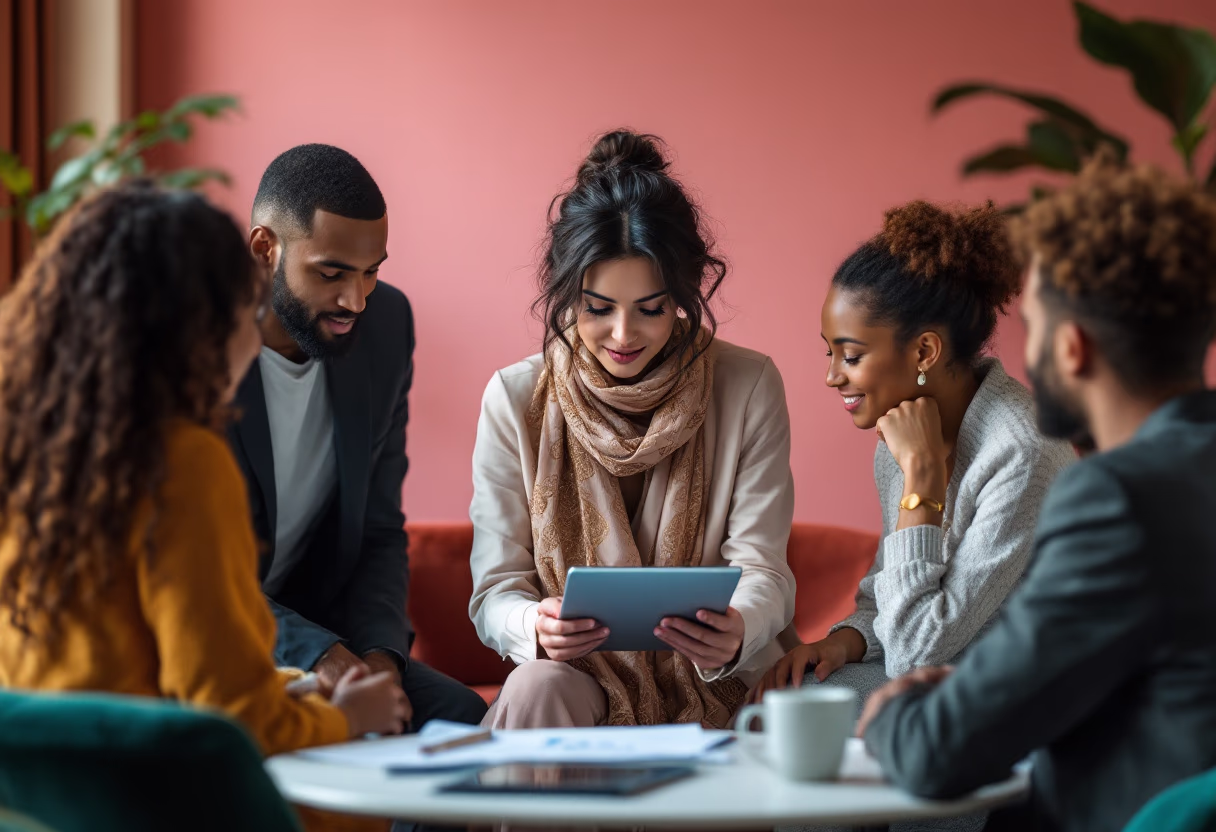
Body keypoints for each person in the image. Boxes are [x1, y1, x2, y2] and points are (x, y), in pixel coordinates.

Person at [857, 159, 1216, 832]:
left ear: (1074, 349)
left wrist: (895, 712)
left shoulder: (1114, 499)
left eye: (1037, 328)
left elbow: (939, 752)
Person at [0, 182, 408, 755]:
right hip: (151, 787)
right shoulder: (185, 463)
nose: (252, 337)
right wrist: (346, 719)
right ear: (192, 331)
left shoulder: (29, 448)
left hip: (40, 786)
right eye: (246, 313)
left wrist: (299, 688)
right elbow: (236, 719)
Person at [469, 130, 797, 729]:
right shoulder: (516, 398)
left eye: (650, 309)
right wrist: (533, 627)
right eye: (598, 308)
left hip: (713, 674)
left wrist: (738, 627)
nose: (624, 335)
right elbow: (495, 591)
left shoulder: (748, 384)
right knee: (537, 687)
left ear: (686, 294)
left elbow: (764, 566)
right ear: (566, 294)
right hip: (579, 676)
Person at [753, 201, 1075, 717]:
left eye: (852, 356)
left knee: (827, 724)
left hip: (1026, 701)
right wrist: (842, 643)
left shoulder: (1021, 455)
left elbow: (915, 651)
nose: (833, 376)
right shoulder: (902, 436)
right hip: (939, 677)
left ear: (924, 352)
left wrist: (922, 479)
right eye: (829, 353)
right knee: (782, 707)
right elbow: (890, 596)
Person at [232, 144, 486, 729]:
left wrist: (379, 657)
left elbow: (377, 528)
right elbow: (184, 568)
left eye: (372, 271)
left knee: (456, 716)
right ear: (265, 250)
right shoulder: (192, 347)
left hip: (318, 625)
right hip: (203, 632)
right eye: (332, 273)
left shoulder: (386, 328)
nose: (356, 300)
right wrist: (315, 655)